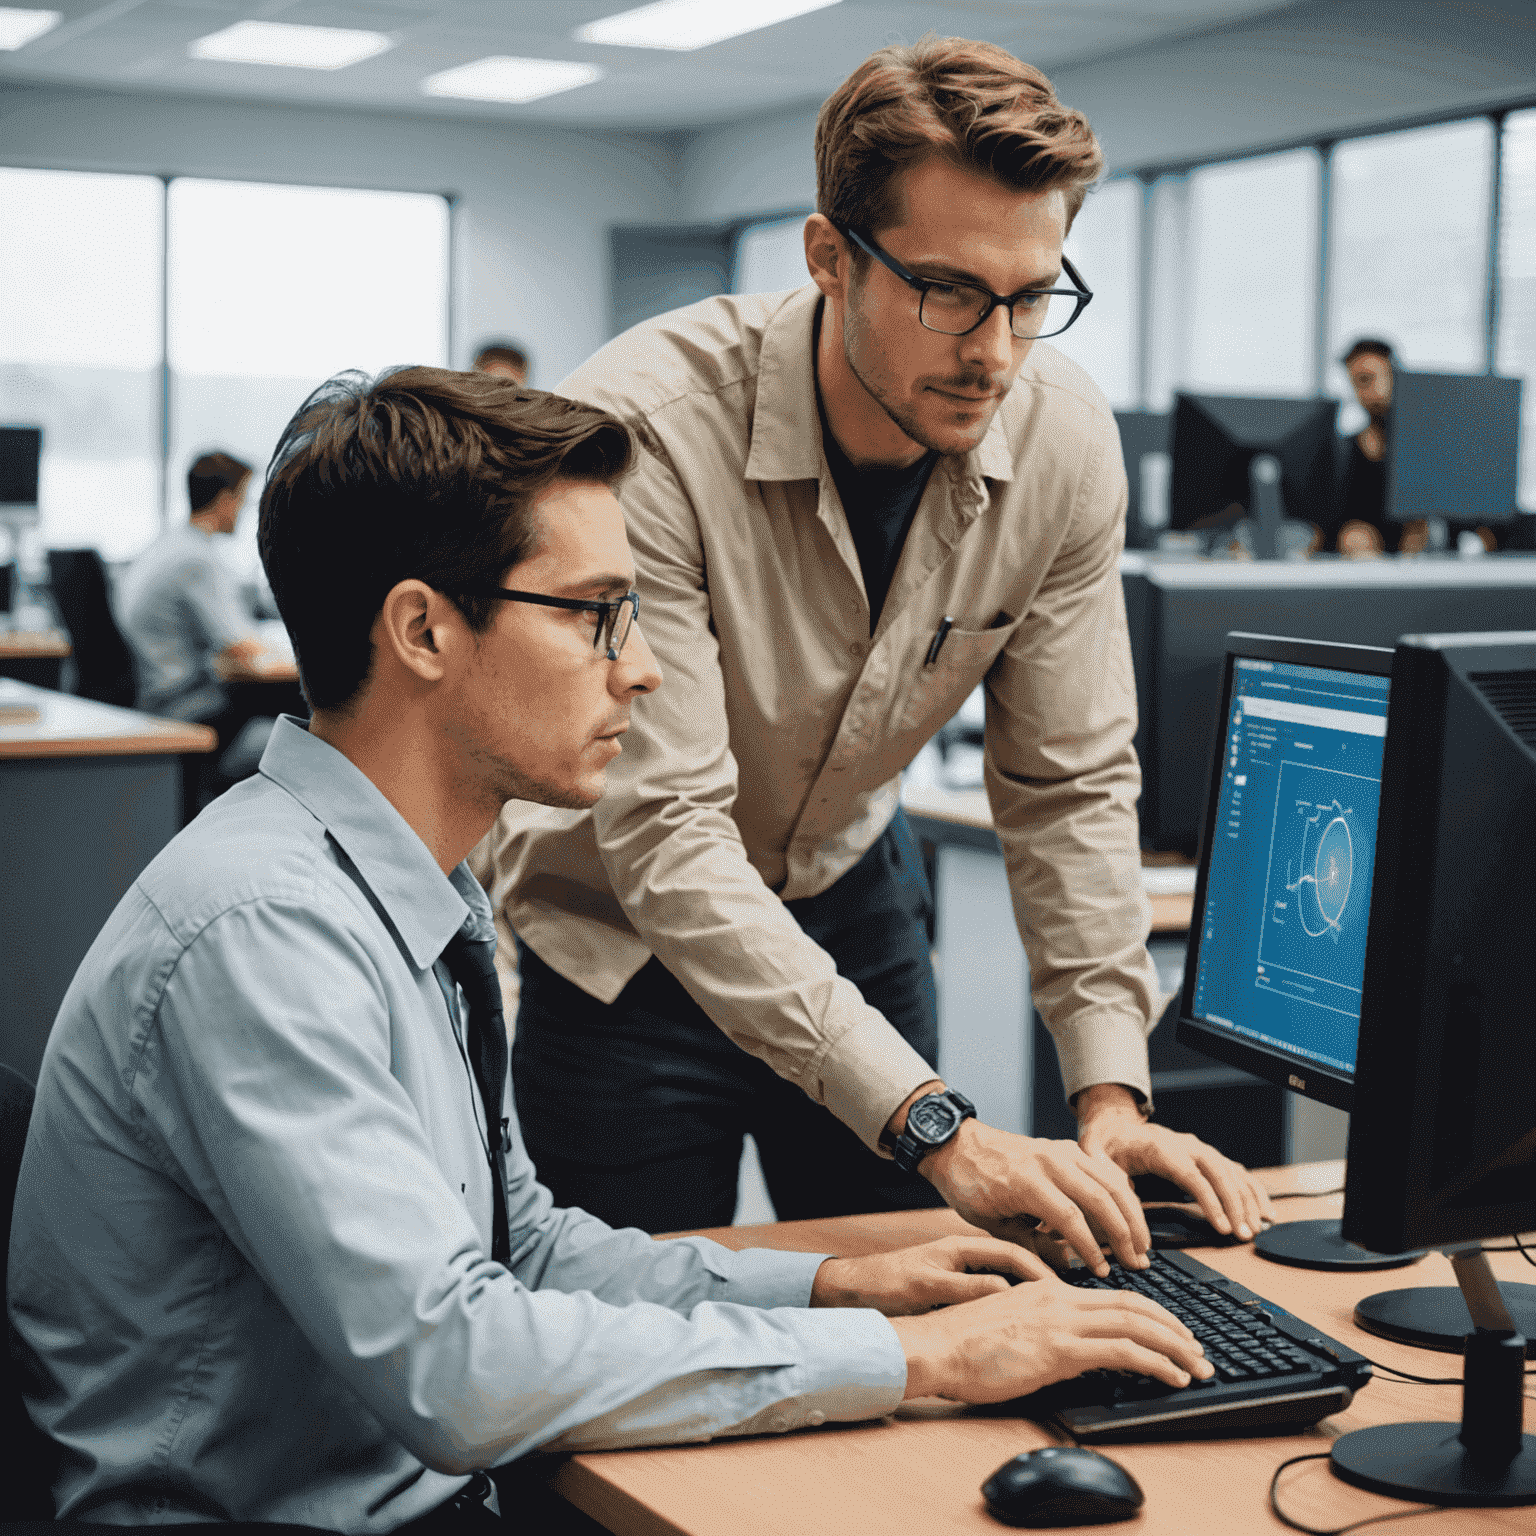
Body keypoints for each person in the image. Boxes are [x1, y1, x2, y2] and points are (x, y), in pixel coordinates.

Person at [8, 367, 1211, 1530]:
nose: (640, 669)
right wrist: (917, 1358)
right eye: (596, 616)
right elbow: (462, 1368)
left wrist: (836, 1285)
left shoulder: (402, 886)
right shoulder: (264, 935)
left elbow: (517, 1248)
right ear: (423, 629)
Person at [479, 37, 1275, 1265]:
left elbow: (1067, 783)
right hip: (624, 941)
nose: (996, 352)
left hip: (849, 893)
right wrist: (942, 1127)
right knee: (633, 1355)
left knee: (931, 1313)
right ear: (829, 258)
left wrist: (1110, 1096)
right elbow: (673, 839)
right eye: (950, 291)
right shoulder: (642, 435)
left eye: (1031, 297)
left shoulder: (1060, 444)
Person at [117, 450, 284, 806]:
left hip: (156, 695)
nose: (244, 510)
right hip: (185, 705)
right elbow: (240, 645)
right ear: (225, 501)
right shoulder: (197, 559)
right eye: (243, 499)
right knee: (304, 724)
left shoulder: (168, 544)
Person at [1330, 339, 1496, 556]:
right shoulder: (1347, 450)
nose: (1363, 393)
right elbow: (1337, 518)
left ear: (1396, 376)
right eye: (1355, 383)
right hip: (1374, 566)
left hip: (1438, 558)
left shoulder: (1439, 440)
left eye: (1368, 379)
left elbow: (1483, 519)